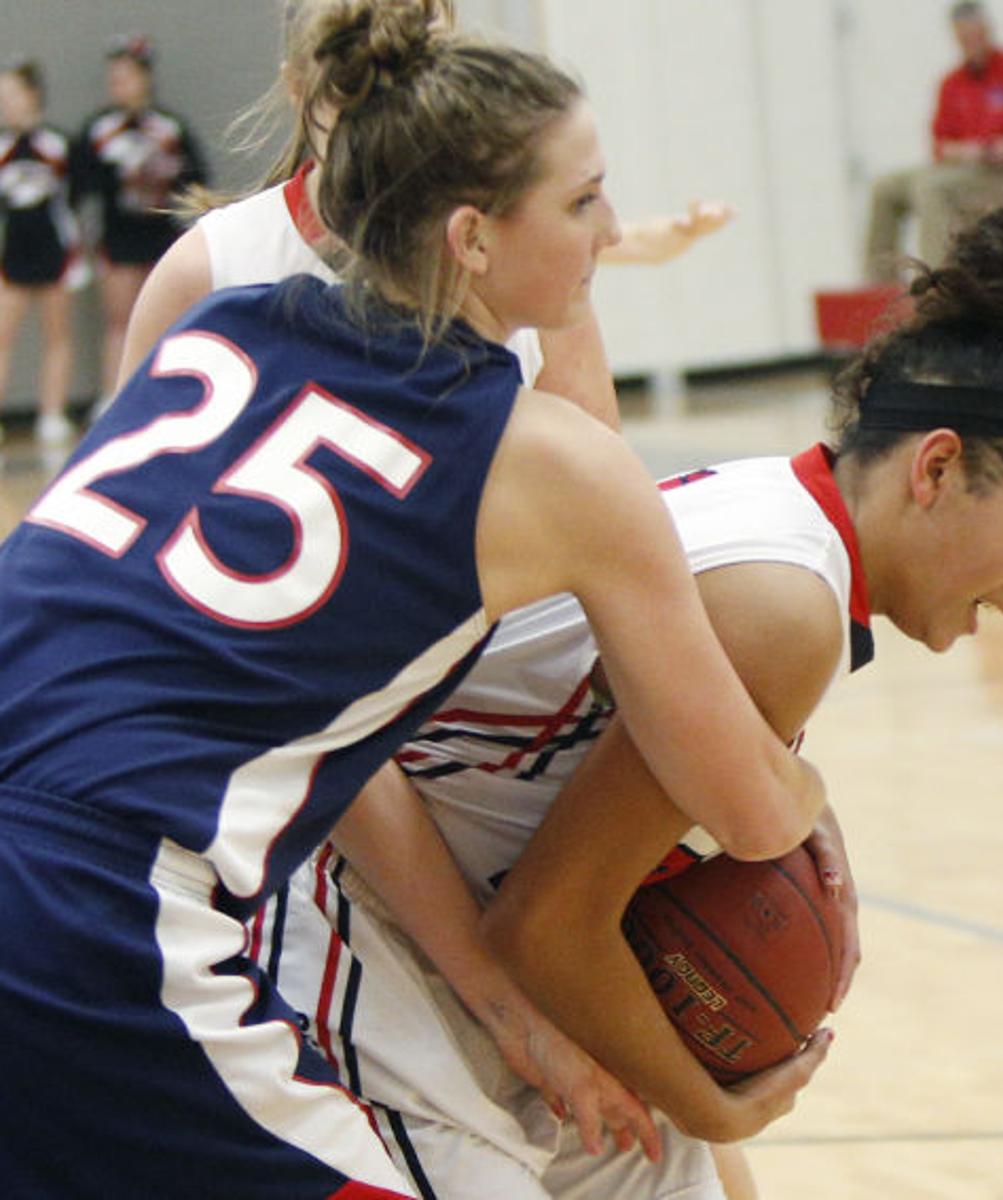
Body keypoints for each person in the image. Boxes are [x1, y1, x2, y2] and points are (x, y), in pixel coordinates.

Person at [0, 12, 830, 1197]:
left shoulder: (223, 326)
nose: (607, 230)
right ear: (473, 237)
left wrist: (504, 1005)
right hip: (95, 907)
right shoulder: (545, 462)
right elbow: (747, 812)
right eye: (584, 201)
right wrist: (810, 790)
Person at [261, 207, 1003, 1199]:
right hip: (349, 908)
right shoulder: (786, 608)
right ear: (936, 467)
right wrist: (717, 1107)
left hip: (453, 924)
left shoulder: (776, 521)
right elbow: (544, 923)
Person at [115, 0, 733, 432]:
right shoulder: (211, 266)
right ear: (299, 91)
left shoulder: (526, 252)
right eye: (363, 92)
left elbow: (600, 507)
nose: (391, 122)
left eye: (414, 81)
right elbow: (115, 508)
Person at [863, 1, 1003, 282]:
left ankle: (941, 284)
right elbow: (939, 142)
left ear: (988, 30)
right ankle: (878, 283)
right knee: (886, 188)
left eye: (976, 35)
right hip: (966, 169)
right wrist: (962, 151)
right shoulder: (952, 83)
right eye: (963, 38)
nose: (971, 43)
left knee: (932, 189)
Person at [74, 33, 207, 412]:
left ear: (145, 78)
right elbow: (84, 188)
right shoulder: (98, 130)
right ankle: (114, 397)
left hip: (161, 237)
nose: (119, 83)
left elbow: (195, 183)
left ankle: (170, 393)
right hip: (118, 239)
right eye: (113, 77)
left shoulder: (170, 128)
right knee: (120, 321)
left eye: (127, 75)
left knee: (167, 316)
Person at [0, 58, 84, 457]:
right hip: (11, 256)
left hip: (54, 254)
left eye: (12, 94)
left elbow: (74, 201)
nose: (6, 103)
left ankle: (52, 413)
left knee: (57, 335)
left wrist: (77, 254)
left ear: (32, 95)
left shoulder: (59, 146)